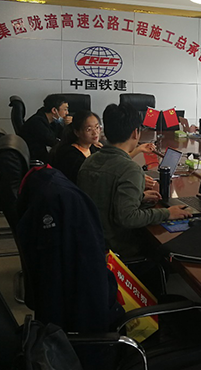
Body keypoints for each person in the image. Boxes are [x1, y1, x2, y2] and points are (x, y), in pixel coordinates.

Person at [78, 103, 191, 258]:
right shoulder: (130, 169)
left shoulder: (89, 161)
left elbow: (102, 196)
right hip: (117, 249)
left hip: (90, 242)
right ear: (135, 133)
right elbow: (128, 218)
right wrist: (166, 213)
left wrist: (140, 197)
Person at [50, 110, 102, 184]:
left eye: (97, 127)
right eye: (89, 129)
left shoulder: (94, 148)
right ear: (77, 132)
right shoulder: (70, 155)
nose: (95, 132)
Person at [19, 94, 72, 164]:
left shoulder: (51, 120)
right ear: (54, 110)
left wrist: (70, 126)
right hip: (38, 160)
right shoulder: (37, 123)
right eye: (65, 109)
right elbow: (53, 142)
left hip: (43, 155)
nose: (67, 113)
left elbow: (63, 135)